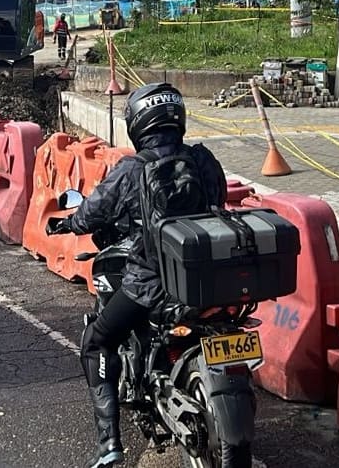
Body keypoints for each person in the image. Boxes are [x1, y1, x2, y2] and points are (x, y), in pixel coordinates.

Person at [46, 83, 227, 468]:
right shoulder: (204, 160)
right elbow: (218, 201)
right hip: (210, 277)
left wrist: (69, 223)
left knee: (96, 341)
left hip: (151, 283)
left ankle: (109, 446)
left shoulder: (132, 169)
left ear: (139, 123)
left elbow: (92, 212)